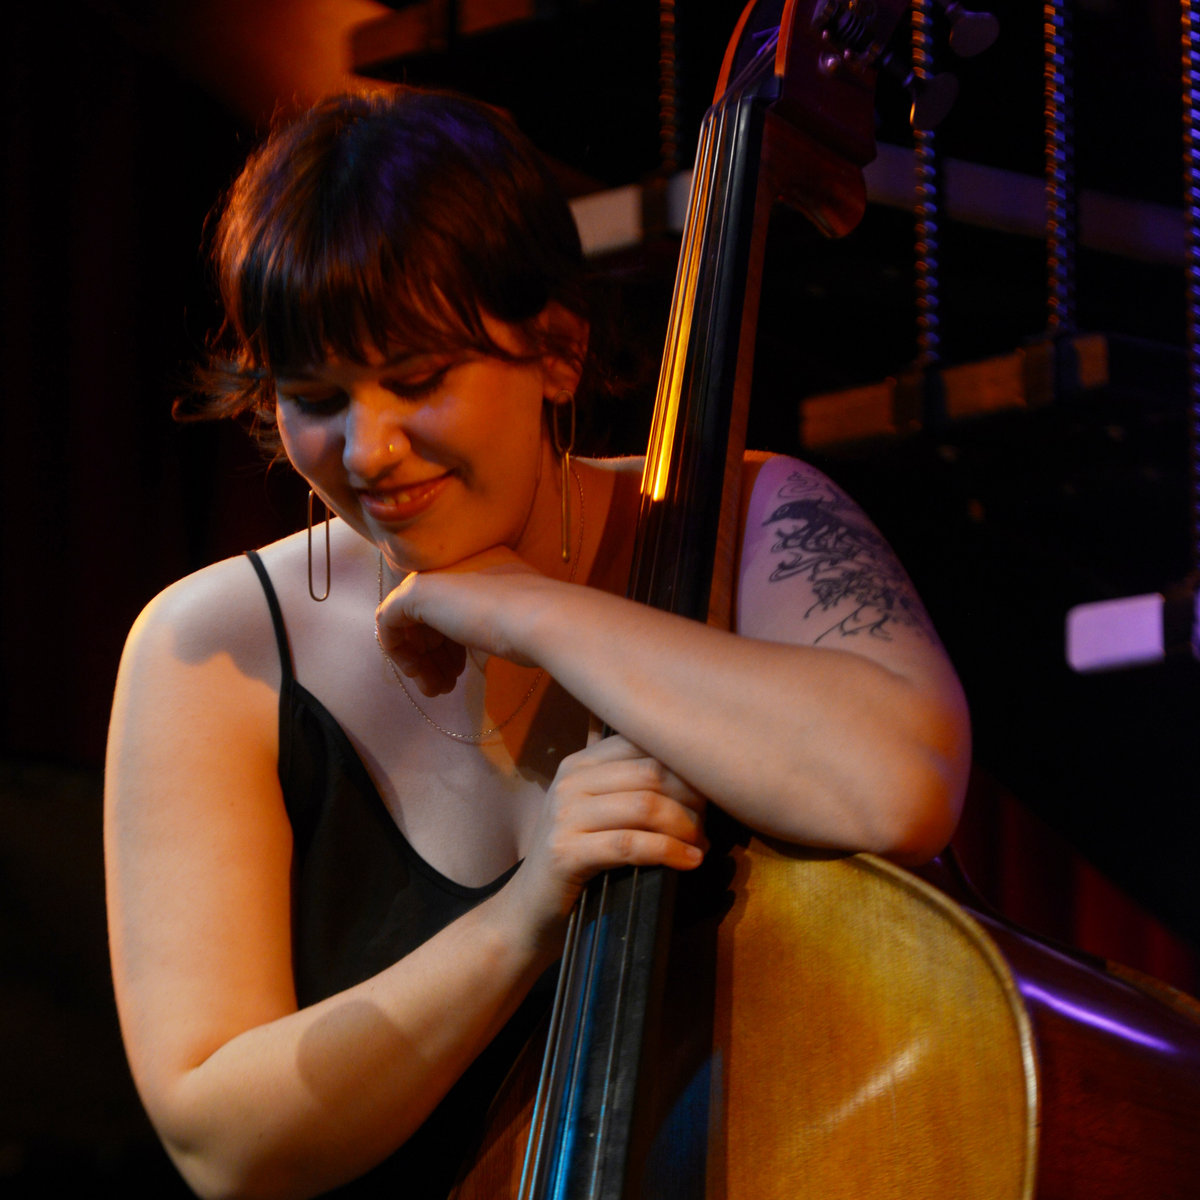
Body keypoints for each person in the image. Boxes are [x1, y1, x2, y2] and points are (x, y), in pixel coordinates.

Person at [104, 86, 971, 1200]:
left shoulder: (759, 517)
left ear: (557, 351)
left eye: (419, 378)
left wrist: (527, 610)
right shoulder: (209, 648)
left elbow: (901, 784)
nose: (367, 451)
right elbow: (221, 1140)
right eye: (315, 398)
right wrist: (526, 915)